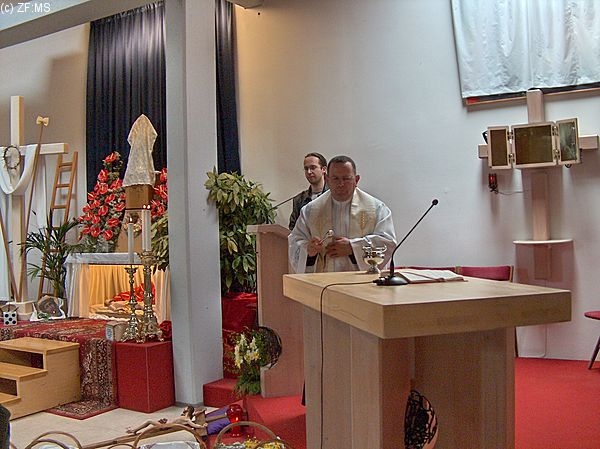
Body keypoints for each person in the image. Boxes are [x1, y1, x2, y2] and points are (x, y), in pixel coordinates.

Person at [288, 155, 396, 273]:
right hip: (323, 281)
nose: (341, 184)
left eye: (346, 178)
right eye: (335, 178)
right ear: (327, 179)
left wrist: (352, 247)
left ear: (356, 180)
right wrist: (308, 249)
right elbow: (295, 241)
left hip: (362, 282)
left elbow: (387, 242)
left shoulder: (376, 208)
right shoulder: (310, 210)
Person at [288, 152, 328, 230]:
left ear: (324, 169)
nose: (309, 172)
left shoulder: (333, 195)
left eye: (313, 167)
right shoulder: (299, 199)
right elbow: (293, 229)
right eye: (306, 169)